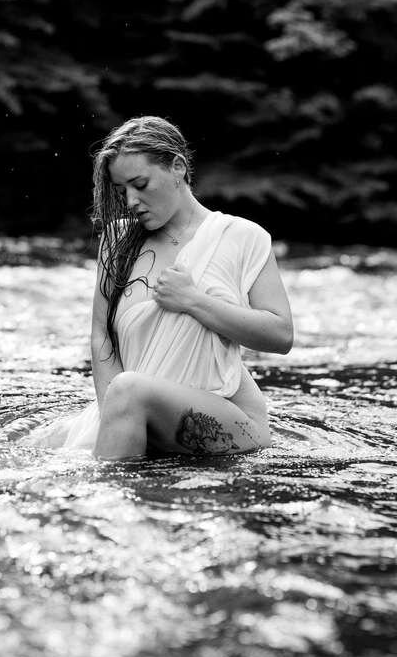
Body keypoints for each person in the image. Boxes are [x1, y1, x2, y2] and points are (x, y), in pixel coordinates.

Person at [46, 116, 293, 460]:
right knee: (37, 443)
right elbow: (101, 336)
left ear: (177, 167)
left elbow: (281, 335)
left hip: (230, 418)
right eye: (122, 190)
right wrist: (112, 412)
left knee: (129, 391)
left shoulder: (242, 237)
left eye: (140, 184)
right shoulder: (117, 240)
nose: (131, 200)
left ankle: (103, 494)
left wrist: (193, 301)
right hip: (133, 404)